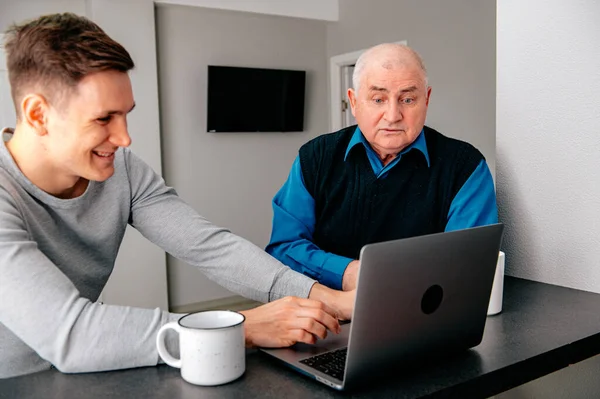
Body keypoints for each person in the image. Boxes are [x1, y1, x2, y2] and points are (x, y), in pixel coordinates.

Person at [0, 13, 354, 379]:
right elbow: (71, 334)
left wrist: (325, 298)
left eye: (126, 115)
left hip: (84, 373)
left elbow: (209, 246)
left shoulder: (123, 170)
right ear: (38, 114)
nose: (124, 139)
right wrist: (240, 326)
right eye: (105, 118)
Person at [266, 43, 498, 292]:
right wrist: (349, 273)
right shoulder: (315, 157)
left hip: (424, 317)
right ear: (354, 102)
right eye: (378, 99)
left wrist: (380, 280)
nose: (393, 115)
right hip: (323, 315)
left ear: (426, 100)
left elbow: (467, 263)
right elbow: (285, 247)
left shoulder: (466, 167)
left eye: (407, 99)